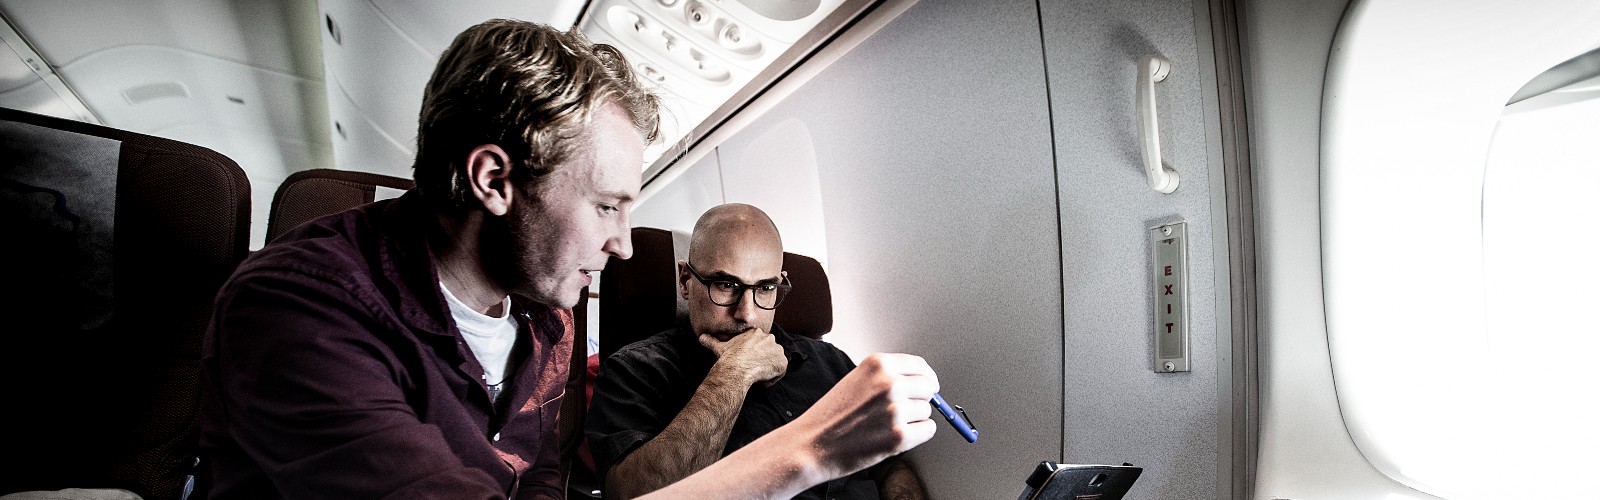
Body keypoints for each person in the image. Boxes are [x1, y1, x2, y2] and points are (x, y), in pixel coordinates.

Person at [200, 18, 939, 500]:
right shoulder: (297, 309)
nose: (623, 246)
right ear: (495, 180)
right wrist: (809, 450)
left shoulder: (544, 323)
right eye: (608, 206)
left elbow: (542, 486)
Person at [586, 204, 927, 499]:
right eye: (726, 285)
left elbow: (887, 465)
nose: (746, 314)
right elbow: (635, 495)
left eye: (765, 288)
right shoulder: (635, 369)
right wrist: (735, 373)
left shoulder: (829, 361)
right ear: (686, 281)